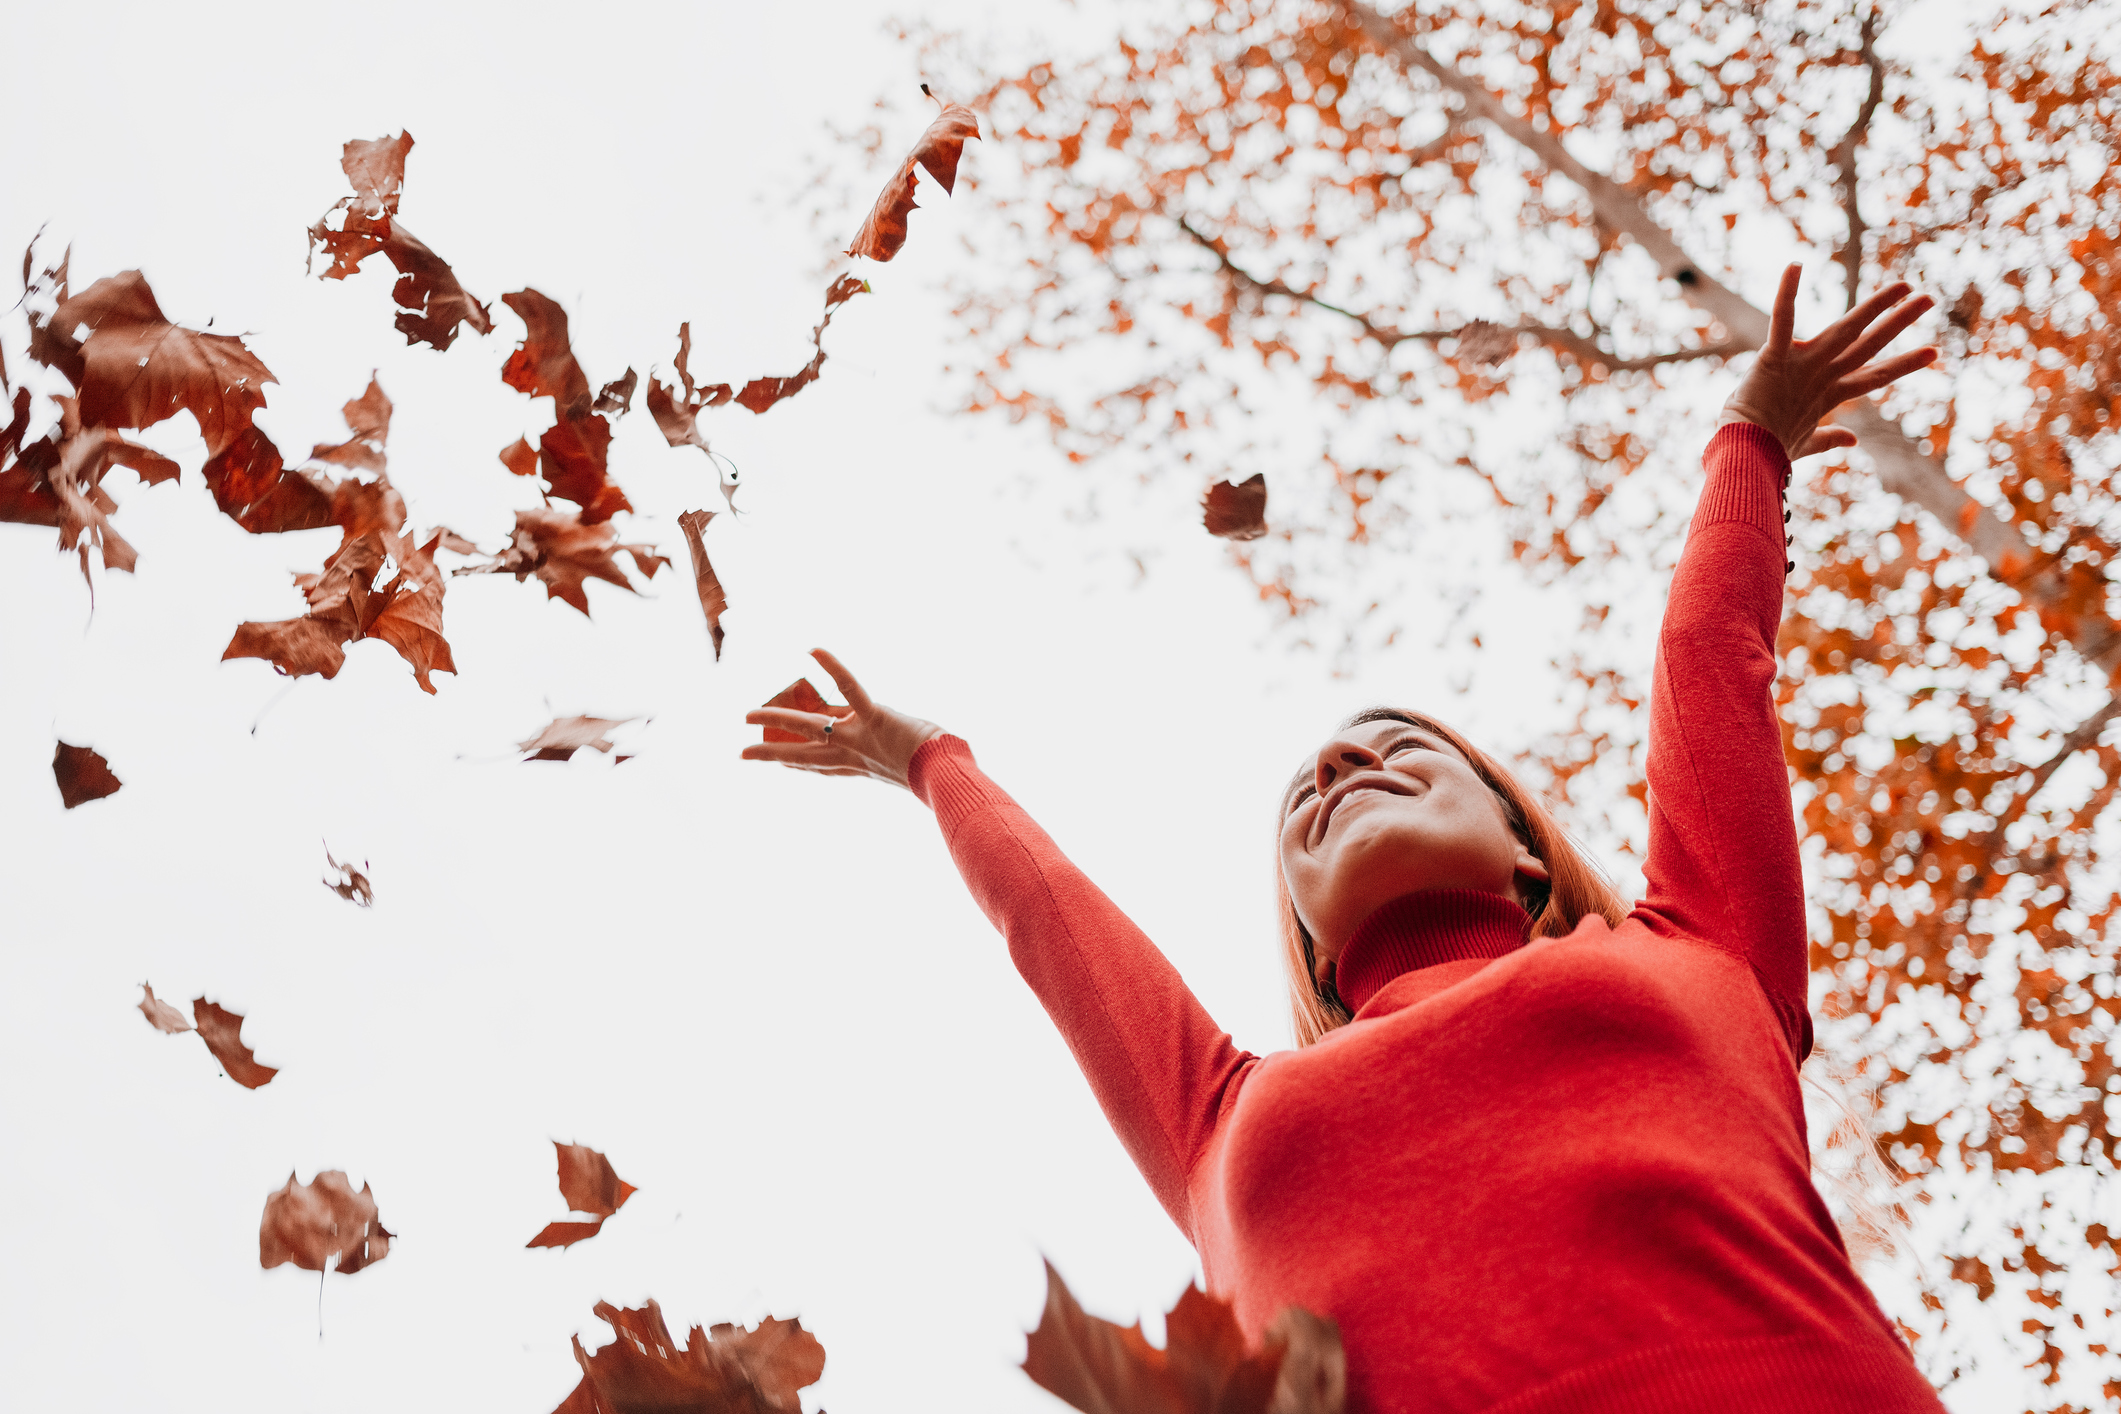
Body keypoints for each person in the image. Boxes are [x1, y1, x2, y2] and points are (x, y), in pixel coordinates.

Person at [744, 266, 1945, 1414]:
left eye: (1405, 747)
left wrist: (1751, 440)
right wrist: (930, 760)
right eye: (1306, 801)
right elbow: (1049, 920)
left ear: (1527, 848)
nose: (1339, 764)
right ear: (1311, 944)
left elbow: (1708, 660)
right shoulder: (1215, 1118)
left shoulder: (1700, 942)